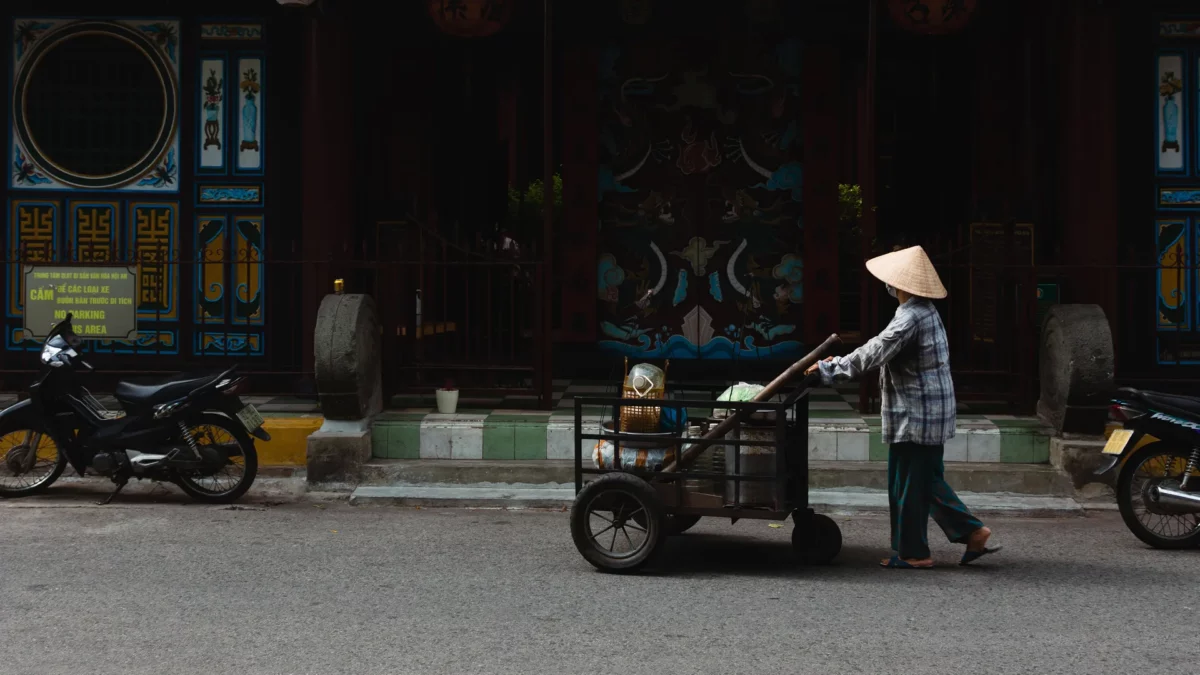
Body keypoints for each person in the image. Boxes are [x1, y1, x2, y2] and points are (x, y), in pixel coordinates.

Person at [805, 245, 1000, 569]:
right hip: (925, 412)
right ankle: (962, 535)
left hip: (917, 415)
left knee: (912, 483)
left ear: (902, 285)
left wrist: (829, 369)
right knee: (917, 480)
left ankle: (919, 551)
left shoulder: (910, 318)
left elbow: (873, 352)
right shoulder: (923, 311)